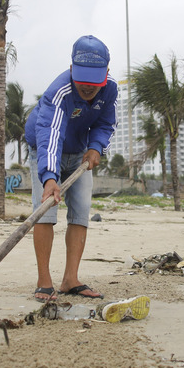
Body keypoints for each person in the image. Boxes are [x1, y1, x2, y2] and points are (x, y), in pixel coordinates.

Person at [24, 35, 117, 302]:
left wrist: (96, 147)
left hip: (79, 153)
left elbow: (106, 123)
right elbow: (49, 137)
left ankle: (70, 279)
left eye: (94, 81)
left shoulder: (110, 88)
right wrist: (49, 178)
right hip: (44, 148)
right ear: (72, 68)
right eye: (83, 79)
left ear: (106, 73)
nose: (88, 87)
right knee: (44, 212)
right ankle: (44, 281)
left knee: (81, 212)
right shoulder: (59, 92)